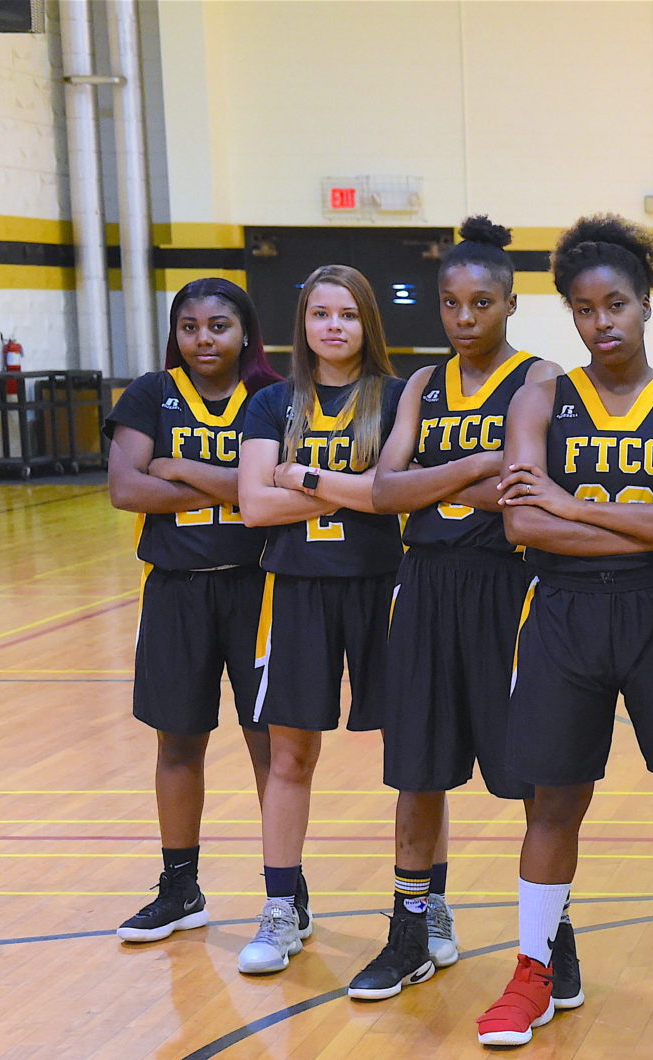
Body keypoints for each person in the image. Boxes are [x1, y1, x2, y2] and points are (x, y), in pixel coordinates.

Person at [475, 213, 653, 1045]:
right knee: (553, 803)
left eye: (615, 304)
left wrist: (572, 506)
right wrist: (647, 521)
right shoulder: (540, 399)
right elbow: (523, 525)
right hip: (562, 612)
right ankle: (534, 972)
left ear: (646, 302)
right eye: (583, 310)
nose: (601, 323)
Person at [347, 217, 560, 1000]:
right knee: (417, 769)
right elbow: (384, 489)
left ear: (510, 304)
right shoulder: (421, 385)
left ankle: (552, 943)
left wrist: (433, 480)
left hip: (509, 588)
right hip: (426, 583)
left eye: (481, 303)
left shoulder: (541, 380)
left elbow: (526, 489)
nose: (463, 317)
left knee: (533, 777)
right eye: (450, 303)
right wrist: (474, 464)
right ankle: (410, 933)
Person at [236, 265, 405, 974]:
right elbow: (253, 506)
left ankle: (424, 909)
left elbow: (392, 494)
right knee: (289, 756)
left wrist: (302, 477)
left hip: (384, 588)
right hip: (297, 590)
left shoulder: (397, 398)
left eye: (347, 314)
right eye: (319, 314)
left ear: (369, 322)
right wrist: (352, 490)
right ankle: (282, 907)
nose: (333, 326)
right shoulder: (272, 404)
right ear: (302, 323)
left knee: (415, 756)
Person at [106, 279, 283, 942]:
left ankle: (285, 893)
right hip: (176, 590)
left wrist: (177, 467)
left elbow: (269, 490)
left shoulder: (271, 397)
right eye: (190, 326)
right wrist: (234, 489)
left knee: (270, 743)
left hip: (259, 589)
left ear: (246, 332)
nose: (203, 339)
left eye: (218, 325)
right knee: (178, 741)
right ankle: (180, 888)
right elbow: (126, 488)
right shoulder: (150, 393)